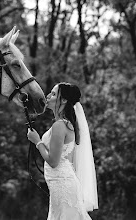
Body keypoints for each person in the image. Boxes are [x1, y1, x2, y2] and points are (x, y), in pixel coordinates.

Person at [27, 82, 98, 220]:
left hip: (62, 185)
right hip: (60, 183)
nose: (48, 96)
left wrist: (37, 141)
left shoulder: (60, 125)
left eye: (53, 94)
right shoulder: (65, 124)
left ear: (64, 100)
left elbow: (53, 161)